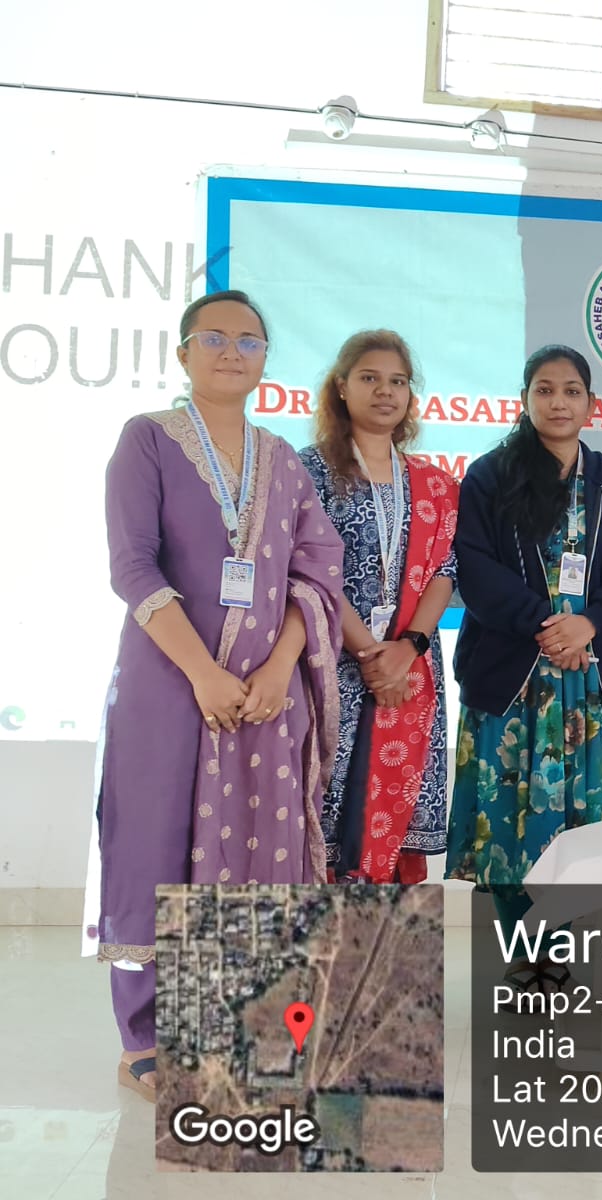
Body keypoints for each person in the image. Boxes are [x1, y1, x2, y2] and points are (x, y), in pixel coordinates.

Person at [86, 290, 344, 1100]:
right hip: (171, 684)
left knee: (262, 848)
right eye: (215, 338)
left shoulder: (285, 461)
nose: (233, 352)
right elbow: (132, 566)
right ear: (183, 353)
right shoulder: (148, 441)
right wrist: (202, 672)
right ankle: (146, 1035)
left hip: (264, 698)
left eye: (250, 341)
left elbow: (317, 575)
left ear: (266, 360)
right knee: (155, 845)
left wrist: (279, 670)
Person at [445, 345, 602, 991]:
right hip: (513, 678)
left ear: (592, 403)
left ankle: (565, 948)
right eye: (545, 389)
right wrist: (545, 625)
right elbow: (474, 568)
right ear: (525, 398)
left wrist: (589, 622)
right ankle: (525, 953)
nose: (558, 402)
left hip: (591, 678)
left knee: (584, 821)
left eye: (571, 391)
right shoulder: (491, 476)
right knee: (508, 820)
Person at [301, 330, 459, 884]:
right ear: (342, 387)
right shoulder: (307, 472)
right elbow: (309, 568)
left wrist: (407, 649)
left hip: (410, 670)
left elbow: (445, 571)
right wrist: (371, 654)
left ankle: (390, 940)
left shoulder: (436, 484)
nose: (385, 391)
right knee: (323, 817)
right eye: (370, 378)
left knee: (394, 827)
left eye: (398, 381)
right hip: (330, 663)